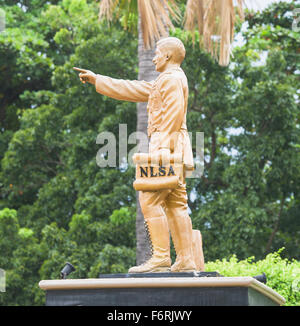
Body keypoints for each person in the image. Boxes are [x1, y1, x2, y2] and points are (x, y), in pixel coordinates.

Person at [74, 37, 202, 273]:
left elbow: (173, 116)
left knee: (149, 199)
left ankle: (162, 258)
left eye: (156, 53)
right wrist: (98, 80)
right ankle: (186, 259)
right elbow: (133, 88)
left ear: (167, 56)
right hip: (176, 149)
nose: (153, 57)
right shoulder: (165, 80)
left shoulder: (172, 79)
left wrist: (162, 150)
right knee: (176, 204)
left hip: (167, 147)